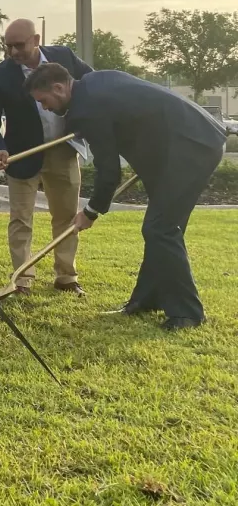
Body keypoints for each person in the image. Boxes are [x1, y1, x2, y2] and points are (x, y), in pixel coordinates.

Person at [25, 63, 225, 330]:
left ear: (59, 88)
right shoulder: (95, 81)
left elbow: (109, 171)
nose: (45, 107)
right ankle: (147, 299)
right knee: (160, 229)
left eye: (44, 101)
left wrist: (91, 211)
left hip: (192, 146)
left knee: (160, 229)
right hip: (187, 142)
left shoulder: (87, 109)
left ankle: (187, 313)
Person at [0, 19, 92, 296]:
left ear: (36, 39)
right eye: (8, 46)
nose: (14, 52)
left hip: (63, 149)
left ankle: (66, 276)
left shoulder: (63, 56)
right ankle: (22, 280)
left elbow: (90, 83)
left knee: (66, 216)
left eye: (19, 45)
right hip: (21, 155)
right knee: (21, 219)